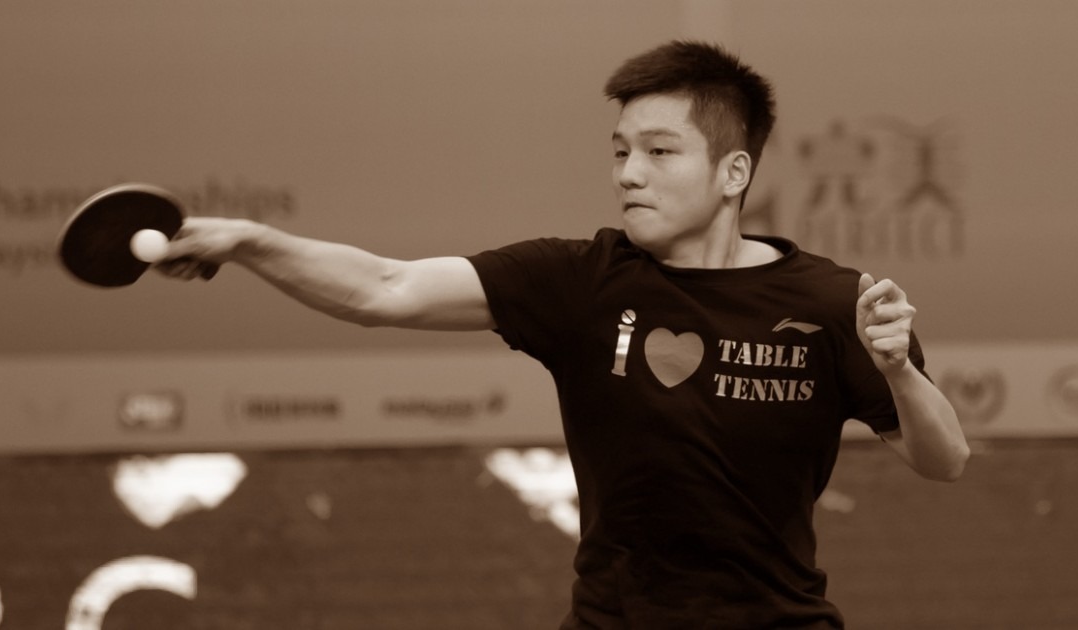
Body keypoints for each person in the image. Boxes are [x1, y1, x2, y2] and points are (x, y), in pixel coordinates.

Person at [157, 40, 969, 630]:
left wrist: (897, 370)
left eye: (658, 151)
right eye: (620, 152)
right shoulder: (581, 281)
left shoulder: (835, 302)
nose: (628, 173)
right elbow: (385, 287)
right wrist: (254, 243)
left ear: (733, 174)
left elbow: (943, 460)